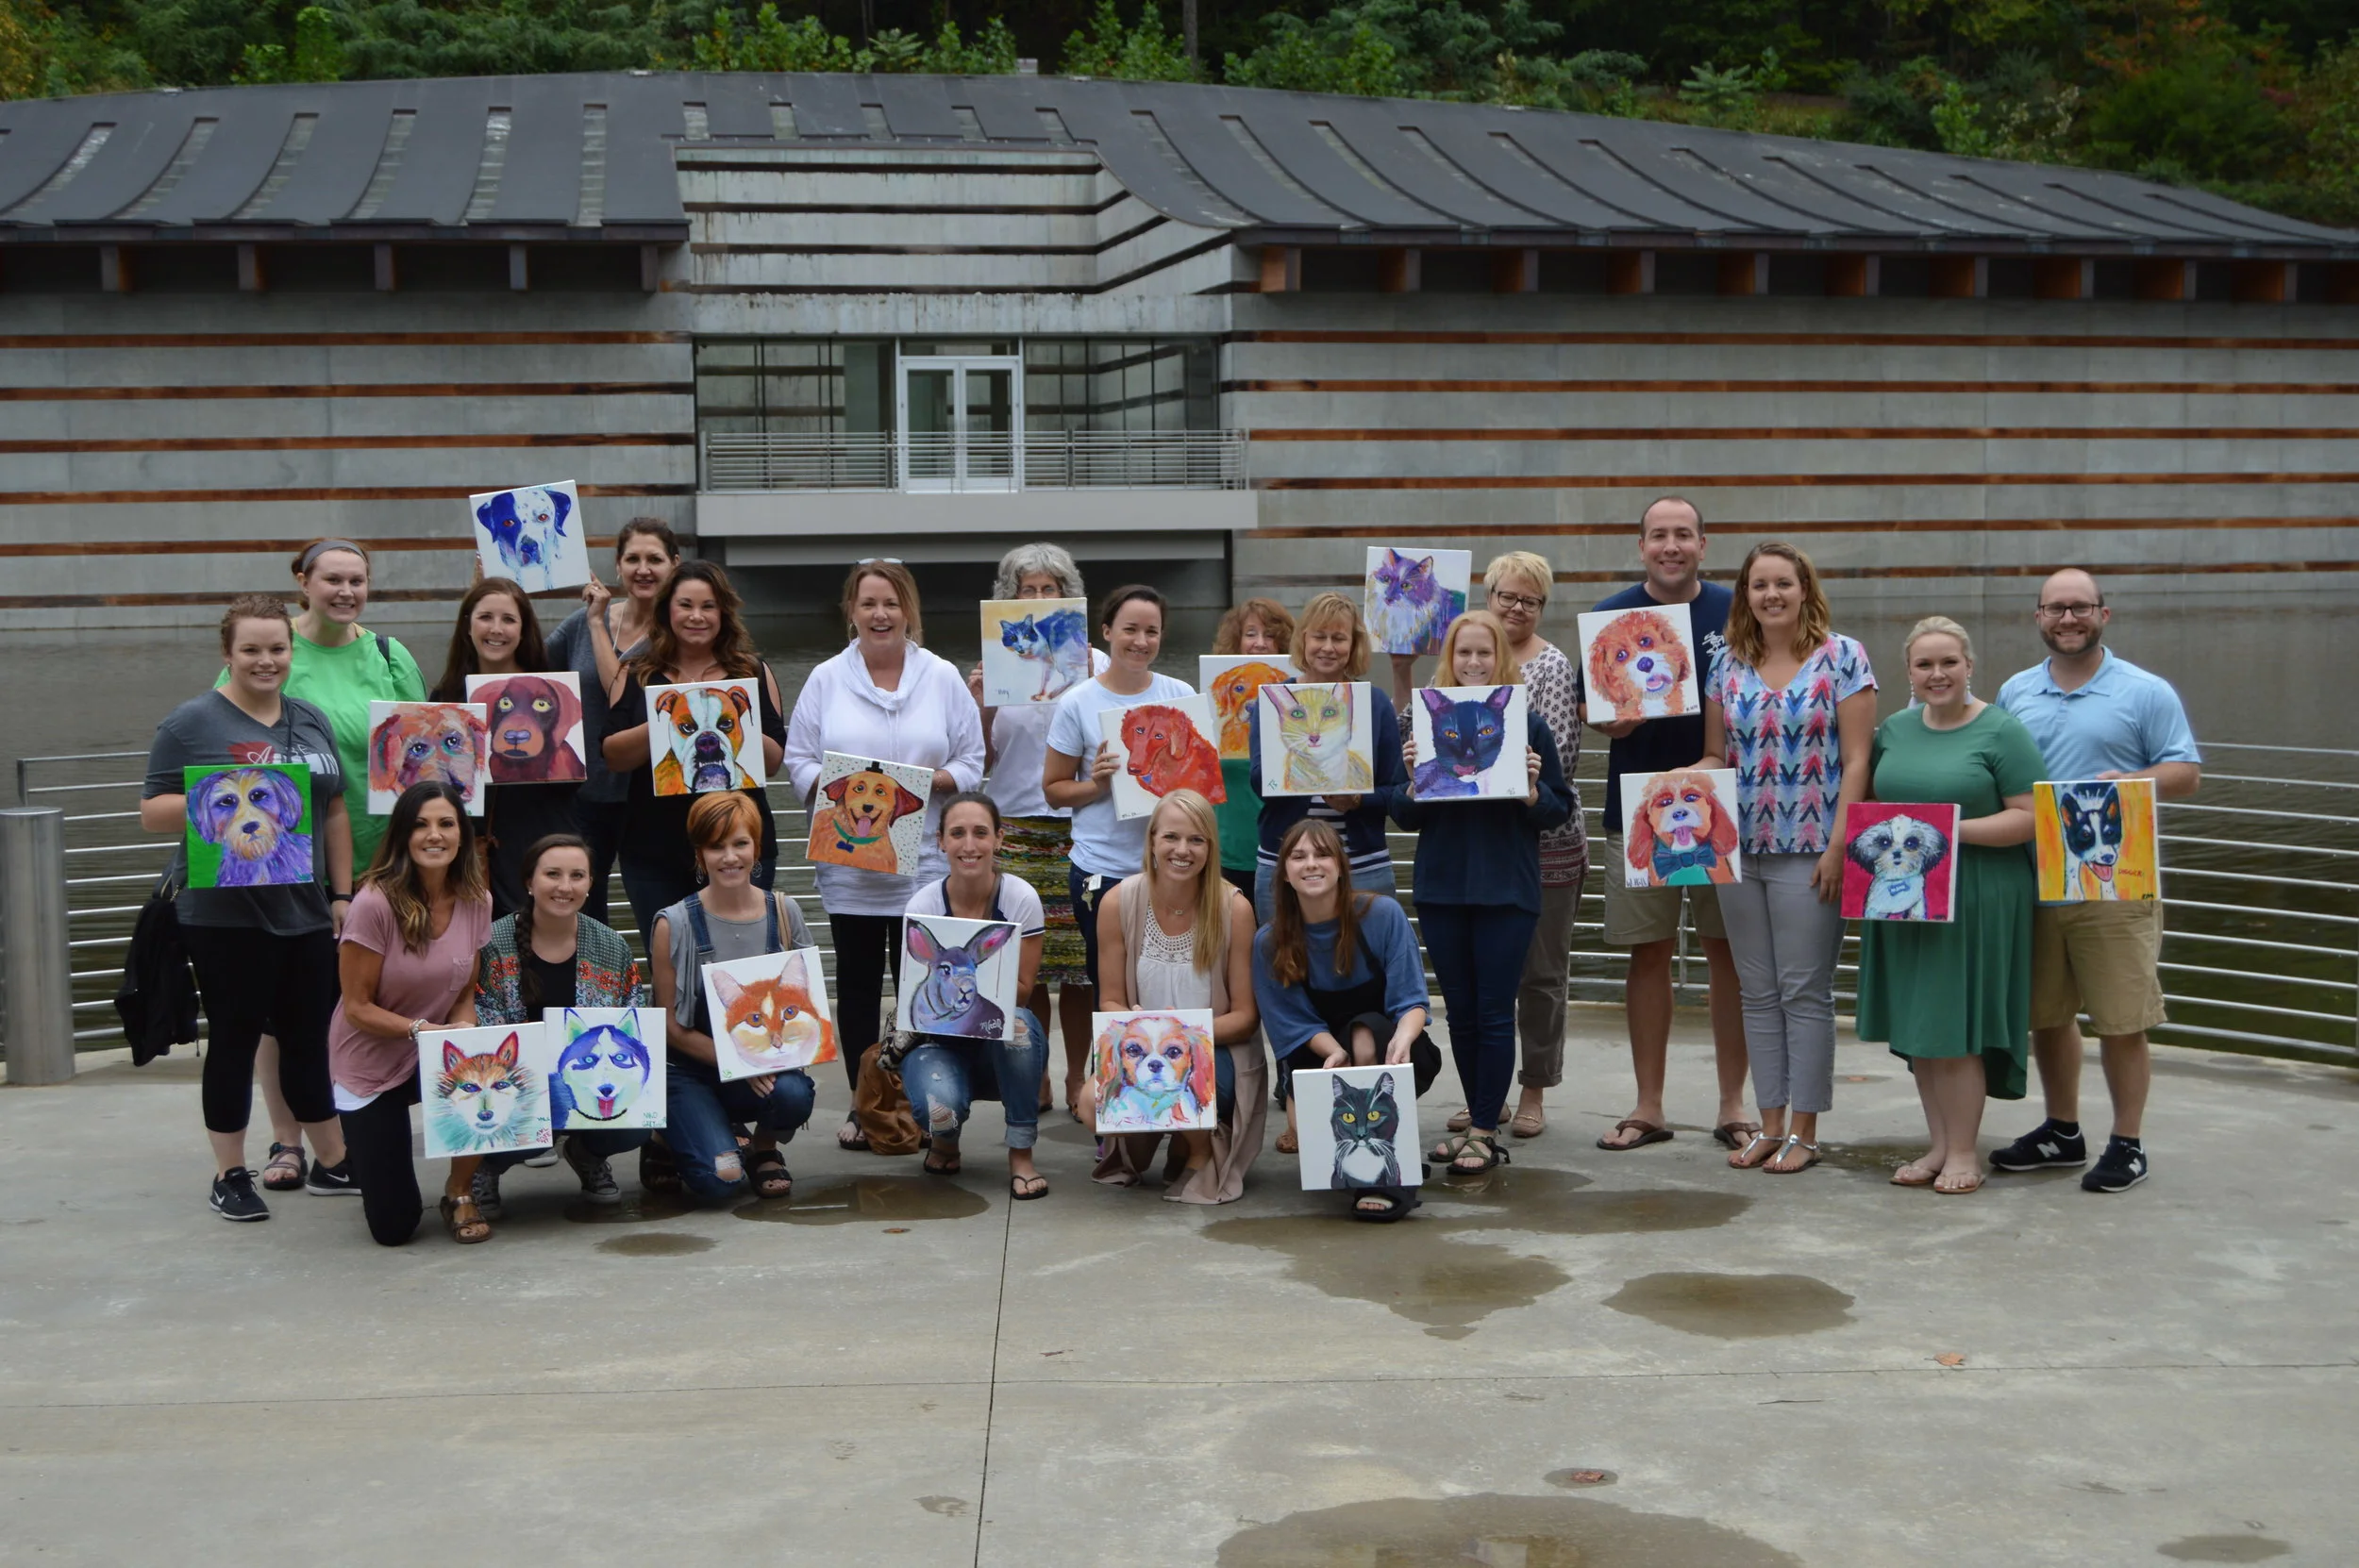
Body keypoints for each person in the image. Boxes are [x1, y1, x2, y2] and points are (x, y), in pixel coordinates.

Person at [142, 593, 356, 1220]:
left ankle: (335, 1162)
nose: (266, 661)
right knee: (234, 1039)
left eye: (277, 649)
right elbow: (152, 813)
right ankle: (230, 1173)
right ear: (228, 654)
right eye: (252, 650)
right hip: (224, 916)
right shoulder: (191, 723)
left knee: (310, 1038)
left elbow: (334, 810)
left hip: (306, 907)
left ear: (292, 651)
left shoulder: (310, 718)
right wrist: (227, 794)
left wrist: (341, 894)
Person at [1992, 569, 2201, 1193]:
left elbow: (2186, 771)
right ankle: (2063, 1130)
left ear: (2103, 614)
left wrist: (2131, 784)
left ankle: (2128, 1142)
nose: (2068, 618)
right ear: (2038, 618)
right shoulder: (2016, 691)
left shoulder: (2145, 691)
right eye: (2056, 608)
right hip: (2035, 877)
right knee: (2048, 1015)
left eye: (2080, 607)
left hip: (2115, 877)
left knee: (2121, 1017)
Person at [223, 539, 426, 1173]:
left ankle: (352, 1127)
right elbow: (227, 746)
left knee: (365, 997)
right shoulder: (276, 654)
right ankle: (287, 1138)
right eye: (332, 578)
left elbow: (426, 743)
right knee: (283, 1011)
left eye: (357, 580)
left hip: (387, 860)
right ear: (302, 581)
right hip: (291, 865)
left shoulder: (390, 654)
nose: (346, 590)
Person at [786, 559, 985, 1150]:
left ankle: (920, 1105)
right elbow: (796, 761)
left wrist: (935, 781)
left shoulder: (943, 676)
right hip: (851, 865)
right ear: (851, 611)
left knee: (922, 989)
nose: (880, 614)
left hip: (923, 863)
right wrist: (837, 788)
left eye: (891, 603)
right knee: (858, 987)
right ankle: (862, 1103)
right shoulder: (825, 678)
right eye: (869, 603)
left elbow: (974, 760)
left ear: (908, 611)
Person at [1698, 543, 1878, 1176]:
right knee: (1757, 991)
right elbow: (1716, 757)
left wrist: (1838, 845)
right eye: (1758, 585)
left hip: (1813, 851)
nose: (1771, 595)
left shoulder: (1844, 657)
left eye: (1783, 583)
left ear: (1805, 588)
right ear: (1745, 594)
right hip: (1736, 849)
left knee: (1805, 990)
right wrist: (1674, 784)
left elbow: (1857, 760)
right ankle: (1768, 1123)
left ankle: (1806, 1128)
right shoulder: (1726, 663)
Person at [1853, 617, 2044, 1196]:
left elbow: (2031, 817)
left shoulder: (2002, 731)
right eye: (1924, 665)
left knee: (1956, 1025)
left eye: (1948, 664)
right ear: (1908, 673)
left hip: (1978, 894)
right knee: (1921, 1027)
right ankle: (1938, 1144)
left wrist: (1948, 831)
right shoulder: (1894, 731)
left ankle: (1965, 1151)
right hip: (1906, 896)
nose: (1937, 675)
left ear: (1969, 666)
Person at [1588, 497, 1751, 1154]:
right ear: (1642, 546)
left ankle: (1733, 1103)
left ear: (1704, 545)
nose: (1672, 546)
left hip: (1721, 805)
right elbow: (1593, 704)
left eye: (1684, 535)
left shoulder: (1736, 610)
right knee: (1647, 953)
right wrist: (1612, 720)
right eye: (1660, 536)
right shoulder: (1611, 617)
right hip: (1639, 806)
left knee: (1726, 955)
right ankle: (1648, 1104)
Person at [1394, 610, 1572, 1176]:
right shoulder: (1427, 721)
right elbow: (1401, 816)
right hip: (1443, 888)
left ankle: (1485, 1131)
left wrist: (1530, 791)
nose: (1474, 663)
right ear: (1450, 658)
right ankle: (1477, 1118)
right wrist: (1409, 780)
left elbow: (1559, 811)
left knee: (1495, 1012)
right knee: (1462, 1015)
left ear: (1503, 658)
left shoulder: (1529, 725)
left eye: (1484, 653)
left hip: (1506, 891)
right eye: (1464, 653)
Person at [966, 542, 1108, 1116]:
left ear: (1067, 596)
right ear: (1011, 599)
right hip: (1018, 824)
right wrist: (979, 702)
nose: (1041, 597)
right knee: (1030, 965)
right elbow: (977, 760)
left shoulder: (1096, 663)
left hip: (1084, 824)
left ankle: (1079, 1076)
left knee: (1079, 969)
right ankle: (1038, 1073)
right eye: (1029, 590)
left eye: (1051, 589)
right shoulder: (995, 660)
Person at [330, 782, 497, 1244]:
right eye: (421, 825)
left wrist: (464, 1030)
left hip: (434, 1045)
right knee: (395, 1227)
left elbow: (466, 987)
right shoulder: (373, 903)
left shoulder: (476, 899)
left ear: (462, 834)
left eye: (446, 823)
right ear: (403, 834)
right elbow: (358, 1008)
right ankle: (363, 1153)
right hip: (370, 1060)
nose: (434, 835)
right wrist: (426, 1032)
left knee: (497, 1078)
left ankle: (459, 1189)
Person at [1251, 820, 1438, 1222]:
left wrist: (1403, 1040)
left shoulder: (1383, 914)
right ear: (1284, 872)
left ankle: (1388, 1183)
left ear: (1340, 865)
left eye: (1322, 854)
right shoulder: (1269, 940)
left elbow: (1412, 1001)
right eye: (1298, 857)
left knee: (1365, 1031)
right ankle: (1378, 1152)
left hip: (1390, 1049)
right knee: (1310, 1132)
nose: (1311, 864)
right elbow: (1290, 1024)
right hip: (1320, 1055)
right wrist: (1335, 1053)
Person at [1083, 790, 1264, 1204]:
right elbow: (1109, 1000)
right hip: (1141, 1042)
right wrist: (1146, 1031)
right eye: (1171, 837)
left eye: (1196, 840)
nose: (1182, 850)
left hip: (1214, 1048)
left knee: (1181, 1075)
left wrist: (1178, 1035)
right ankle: (1174, 1140)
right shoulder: (1117, 902)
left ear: (1210, 847)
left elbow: (1245, 1017)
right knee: (1086, 1101)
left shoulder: (1233, 908)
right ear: (1151, 840)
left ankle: (1198, 1152)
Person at [601, 559, 789, 944]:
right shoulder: (635, 671)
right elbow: (612, 754)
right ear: (667, 609)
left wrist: (739, 722)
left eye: (708, 606)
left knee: (741, 964)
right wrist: (669, 719)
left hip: (740, 845)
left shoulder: (751, 670)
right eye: (685, 605)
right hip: (653, 849)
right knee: (668, 963)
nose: (697, 616)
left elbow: (773, 760)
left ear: (724, 612)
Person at [644, 792, 820, 1202]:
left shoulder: (784, 912)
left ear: (756, 848)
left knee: (793, 1095)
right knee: (720, 1182)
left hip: (761, 1059)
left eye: (739, 843)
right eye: (715, 846)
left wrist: (774, 1052)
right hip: (691, 1068)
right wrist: (740, 1061)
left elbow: (809, 1010)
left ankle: (762, 1148)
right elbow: (668, 1026)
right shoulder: (674, 923)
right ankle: (665, 1136)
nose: (729, 857)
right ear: (699, 854)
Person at [468, 834, 647, 1216]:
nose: (565, 887)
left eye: (577, 876)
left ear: (590, 885)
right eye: (552, 874)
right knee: (531, 1125)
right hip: (514, 1086)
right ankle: (487, 1166)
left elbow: (633, 1020)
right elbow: (480, 1025)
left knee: (635, 1125)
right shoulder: (492, 944)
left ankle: (587, 1154)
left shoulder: (612, 947)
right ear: (529, 882)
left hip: (590, 1080)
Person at [1042, 583, 1198, 1019]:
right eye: (1130, 629)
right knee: (1110, 988)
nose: (1141, 642)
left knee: (1173, 983)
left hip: (1175, 868)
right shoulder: (1078, 702)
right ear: (1107, 632)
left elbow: (1201, 785)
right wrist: (1097, 785)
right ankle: (1111, 1080)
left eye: (1152, 631)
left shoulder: (1179, 694)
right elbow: (1054, 790)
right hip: (1103, 869)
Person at [1478, 552, 1586, 1142]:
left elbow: (1560, 762)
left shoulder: (1552, 666)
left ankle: (1534, 1088)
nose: (1517, 608)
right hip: (1483, 845)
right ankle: (1486, 1091)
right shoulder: (1467, 657)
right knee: (1486, 975)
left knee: (1542, 975)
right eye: (1507, 596)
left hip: (1547, 844)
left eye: (1530, 600)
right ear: (1488, 594)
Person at [897, 793, 1051, 1200]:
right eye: (958, 834)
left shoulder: (1020, 899)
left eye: (981, 833)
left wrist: (965, 988)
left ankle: (1021, 1153)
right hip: (939, 1042)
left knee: (1021, 1025)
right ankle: (946, 1140)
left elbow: (1022, 991)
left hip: (995, 1037)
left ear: (999, 840)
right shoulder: (923, 905)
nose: (969, 845)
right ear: (940, 842)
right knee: (939, 1108)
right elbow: (913, 997)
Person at [544, 518, 681, 926]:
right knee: (581, 915)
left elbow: (619, 689)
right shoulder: (582, 622)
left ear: (675, 564)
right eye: (633, 558)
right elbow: (529, 673)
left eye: (655, 559)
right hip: (584, 796)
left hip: (652, 797)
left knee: (661, 914)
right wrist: (489, 590)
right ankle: (589, 991)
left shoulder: (682, 633)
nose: (643, 569)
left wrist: (595, 622)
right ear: (617, 565)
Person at [1247, 590, 1410, 923]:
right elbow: (1260, 783)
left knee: (1365, 964)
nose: (1328, 647)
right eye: (1319, 636)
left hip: (1360, 864)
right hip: (1284, 861)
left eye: (1339, 638)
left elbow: (1395, 792)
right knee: (1283, 963)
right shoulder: (1275, 700)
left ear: (1354, 645)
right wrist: (1305, 772)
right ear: (1303, 639)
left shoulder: (1374, 704)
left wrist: (1357, 800)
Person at [430, 578, 581, 919]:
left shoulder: (552, 690)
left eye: (509, 619)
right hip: (469, 853)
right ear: (467, 624)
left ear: (524, 629)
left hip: (540, 842)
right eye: (485, 617)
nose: (496, 629)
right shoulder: (446, 698)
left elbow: (574, 782)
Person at [1209, 597, 1297, 904]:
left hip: (1285, 850)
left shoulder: (1301, 700)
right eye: (1250, 634)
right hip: (1227, 852)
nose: (1260, 643)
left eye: (1270, 635)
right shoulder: (1209, 708)